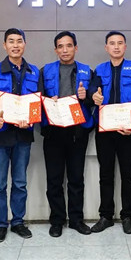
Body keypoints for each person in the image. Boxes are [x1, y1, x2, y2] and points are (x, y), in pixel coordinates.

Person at [0, 28, 40, 243]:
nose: (15, 45)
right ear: (4, 45)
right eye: (11, 41)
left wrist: (32, 119)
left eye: (19, 41)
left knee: (20, 182)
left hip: (23, 135)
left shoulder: (34, 71)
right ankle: (1, 224)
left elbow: (37, 103)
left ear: (25, 44)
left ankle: (18, 222)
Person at [88, 31, 131, 235]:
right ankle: (106, 216)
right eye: (112, 43)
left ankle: (127, 216)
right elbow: (92, 91)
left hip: (128, 131)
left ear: (125, 46)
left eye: (120, 43)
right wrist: (93, 96)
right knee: (106, 174)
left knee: (128, 175)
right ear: (106, 47)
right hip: (105, 131)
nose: (116, 46)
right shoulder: (99, 69)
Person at [38, 31, 94, 237]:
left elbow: (96, 100)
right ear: (55, 50)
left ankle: (76, 220)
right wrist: (47, 101)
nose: (64, 50)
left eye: (69, 46)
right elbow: (36, 99)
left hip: (77, 131)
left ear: (75, 48)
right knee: (54, 179)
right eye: (60, 46)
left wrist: (86, 96)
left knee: (76, 178)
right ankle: (57, 220)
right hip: (53, 131)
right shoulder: (44, 71)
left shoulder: (88, 71)